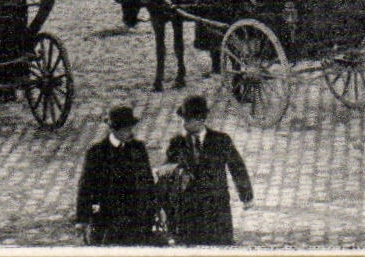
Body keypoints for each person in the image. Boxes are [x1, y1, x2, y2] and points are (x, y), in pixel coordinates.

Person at [161, 95, 252, 246]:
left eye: (188, 120)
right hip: (188, 211)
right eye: (183, 119)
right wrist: (177, 172)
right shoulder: (177, 142)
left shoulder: (221, 140)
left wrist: (246, 195)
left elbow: (237, 167)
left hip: (216, 209)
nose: (183, 123)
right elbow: (165, 169)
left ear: (201, 120)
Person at [75, 105, 162, 246]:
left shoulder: (138, 148)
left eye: (131, 128)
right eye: (126, 130)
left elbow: (147, 181)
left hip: (136, 219)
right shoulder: (97, 152)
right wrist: (82, 219)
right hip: (107, 220)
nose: (131, 133)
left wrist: (153, 210)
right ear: (114, 129)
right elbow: (85, 187)